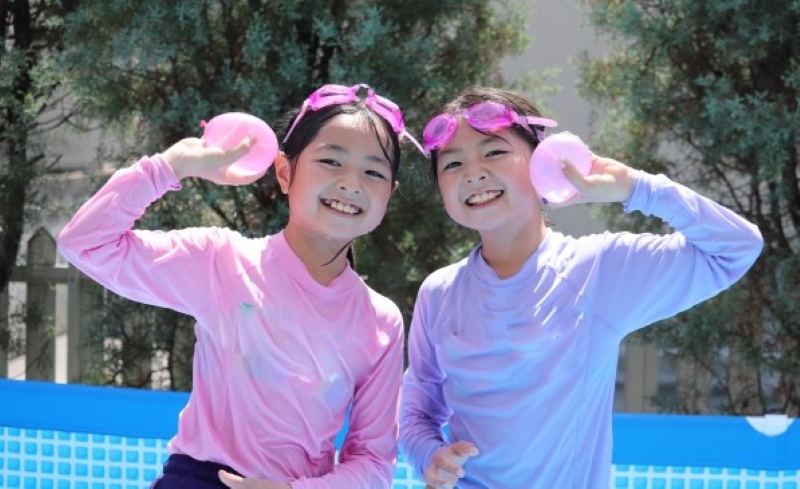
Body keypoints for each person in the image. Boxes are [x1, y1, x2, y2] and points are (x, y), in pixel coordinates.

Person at [58, 84, 422, 489]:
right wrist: (171, 166)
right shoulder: (221, 262)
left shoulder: (380, 321)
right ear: (284, 172)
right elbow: (85, 244)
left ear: (389, 194)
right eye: (331, 161)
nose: (351, 182)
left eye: (373, 172)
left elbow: (373, 460)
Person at [398, 87, 763, 488]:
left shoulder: (597, 271)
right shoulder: (439, 293)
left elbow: (735, 249)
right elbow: (416, 412)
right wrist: (429, 454)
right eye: (452, 163)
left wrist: (636, 188)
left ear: (543, 161)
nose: (473, 173)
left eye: (494, 152)